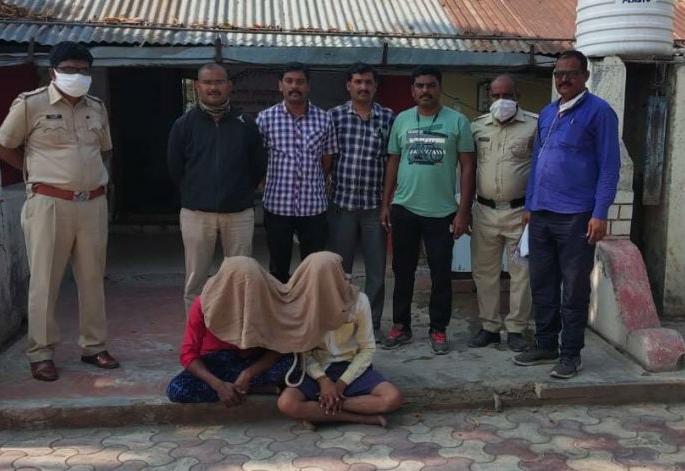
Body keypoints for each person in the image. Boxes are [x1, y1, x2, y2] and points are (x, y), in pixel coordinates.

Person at [0, 41, 119, 381]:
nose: (76, 75)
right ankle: (41, 353)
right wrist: (33, 171)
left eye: (83, 70)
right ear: (53, 71)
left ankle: (94, 346)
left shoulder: (96, 107)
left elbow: (104, 149)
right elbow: (5, 144)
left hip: (93, 203)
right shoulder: (31, 104)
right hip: (49, 203)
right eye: (69, 69)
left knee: (93, 278)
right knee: (45, 281)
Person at [514, 50, 620, 379]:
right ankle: (545, 343)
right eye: (558, 73)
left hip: (576, 216)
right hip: (541, 214)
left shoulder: (600, 112)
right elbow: (537, 163)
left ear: (585, 76)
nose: (563, 79)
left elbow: (609, 167)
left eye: (571, 74)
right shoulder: (548, 112)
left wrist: (600, 213)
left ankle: (570, 354)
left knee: (573, 289)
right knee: (542, 284)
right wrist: (530, 205)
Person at [167, 252, 360, 405]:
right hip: (219, 361)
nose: (245, 295)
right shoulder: (203, 304)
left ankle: (245, 385)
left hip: (256, 361)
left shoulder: (264, 296)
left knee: (293, 365)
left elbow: (282, 343)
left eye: (249, 289)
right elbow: (188, 354)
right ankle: (251, 388)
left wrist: (249, 373)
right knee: (178, 389)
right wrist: (217, 385)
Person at [379, 66, 476, 355]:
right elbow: (393, 162)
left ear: (439, 88)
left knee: (441, 274)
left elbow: (468, 167)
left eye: (431, 85)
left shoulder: (457, 121)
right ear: (412, 91)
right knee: (402, 272)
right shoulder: (402, 120)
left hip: (442, 212)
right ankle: (401, 325)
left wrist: (463, 212)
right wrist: (385, 203)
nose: (425, 91)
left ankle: (438, 329)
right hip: (404, 208)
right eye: (420, 86)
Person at [167, 63, 266, 311]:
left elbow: (258, 165)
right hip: (196, 213)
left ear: (229, 86)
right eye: (208, 82)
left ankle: (237, 329)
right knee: (196, 279)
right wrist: (196, 193)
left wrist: (239, 192)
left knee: (240, 277)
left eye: (219, 82)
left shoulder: (246, 124)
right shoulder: (184, 124)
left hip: (239, 213)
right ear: (197, 86)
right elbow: (175, 167)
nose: (213, 87)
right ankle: (196, 330)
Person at [277, 264, 403, 426]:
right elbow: (303, 351)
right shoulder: (304, 304)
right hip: (317, 369)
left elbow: (367, 348)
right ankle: (361, 418)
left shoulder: (359, 300)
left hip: (350, 366)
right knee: (286, 403)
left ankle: (320, 408)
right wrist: (323, 381)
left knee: (392, 398)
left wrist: (341, 384)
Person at [469, 75, 537, 352]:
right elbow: (468, 167)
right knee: (484, 272)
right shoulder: (476, 126)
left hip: (521, 213)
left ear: (517, 95)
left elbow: (541, 167)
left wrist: (534, 207)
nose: (501, 101)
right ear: (489, 97)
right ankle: (490, 327)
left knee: (522, 272)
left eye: (506, 95)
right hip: (484, 212)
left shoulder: (534, 125)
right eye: (495, 96)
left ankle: (517, 329)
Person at [327, 63, 395, 339]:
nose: (363, 87)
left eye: (368, 82)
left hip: (374, 207)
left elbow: (392, 162)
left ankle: (372, 324)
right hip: (341, 204)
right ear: (349, 85)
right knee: (340, 271)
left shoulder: (388, 117)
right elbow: (327, 159)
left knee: (376, 271)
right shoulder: (334, 116)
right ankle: (341, 322)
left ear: (375, 86)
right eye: (358, 82)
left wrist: (386, 203)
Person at [257, 63, 338, 283]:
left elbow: (327, 160)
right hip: (277, 206)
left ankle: (308, 306)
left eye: (300, 82)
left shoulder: (324, 119)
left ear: (308, 86)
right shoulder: (265, 119)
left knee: (313, 269)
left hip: (313, 207)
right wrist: (267, 183)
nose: (295, 86)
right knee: (278, 269)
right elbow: (259, 159)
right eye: (289, 81)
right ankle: (280, 305)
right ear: (280, 85)